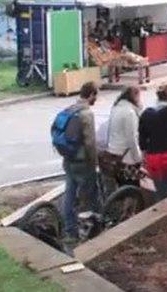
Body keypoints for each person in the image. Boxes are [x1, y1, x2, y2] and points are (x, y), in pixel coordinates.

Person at [51, 81, 100, 243]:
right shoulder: (86, 114)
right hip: (82, 162)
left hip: (68, 159)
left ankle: (70, 232)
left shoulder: (70, 110)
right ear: (91, 94)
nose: (96, 99)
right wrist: (95, 163)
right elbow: (90, 143)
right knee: (88, 197)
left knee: (70, 195)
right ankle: (90, 231)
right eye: (96, 95)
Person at [97, 85, 144, 182]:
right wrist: (138, 157)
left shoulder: (116, 108)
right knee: (131, 185)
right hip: (127, 156)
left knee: (119, 184)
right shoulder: (130, 113)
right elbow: (132, 138)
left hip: (114, 152)